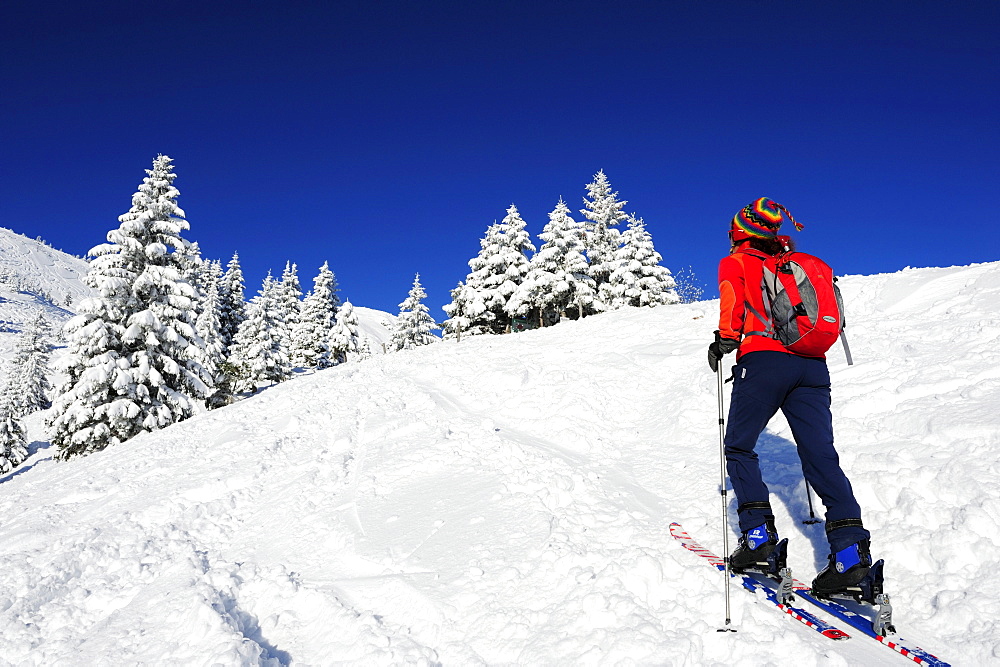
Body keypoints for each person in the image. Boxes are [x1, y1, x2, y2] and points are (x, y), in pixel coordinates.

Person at [707, 197, 874, 598]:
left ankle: (759, 539)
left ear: (740, 232)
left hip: (764, 360)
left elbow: (732, 304)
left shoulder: (738, 262)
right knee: (820, 455)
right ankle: (850, 556)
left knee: (739, 447)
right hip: (812, 365)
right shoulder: (790, 264)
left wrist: (725, 341)